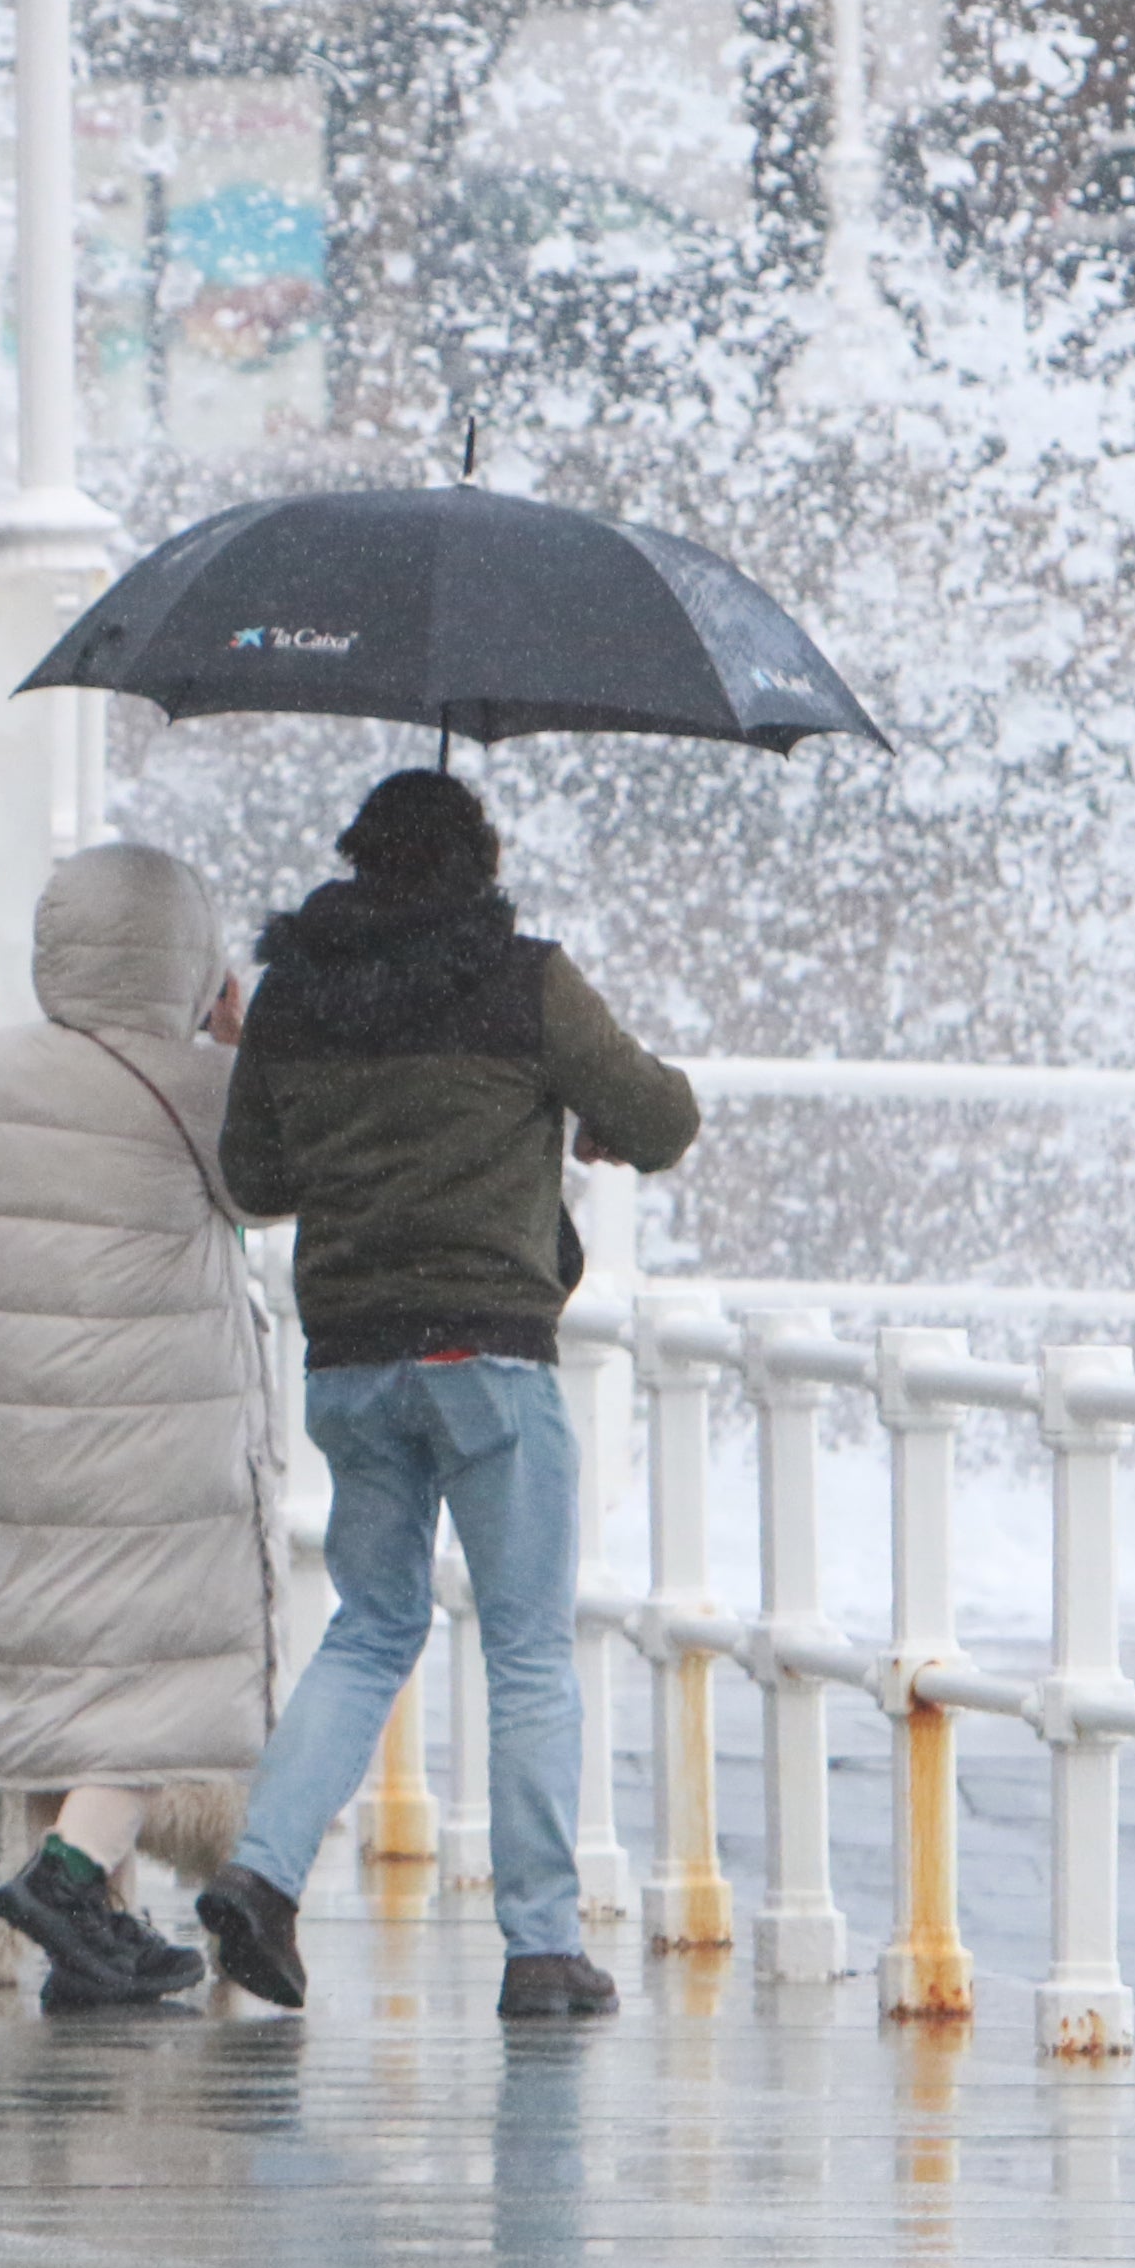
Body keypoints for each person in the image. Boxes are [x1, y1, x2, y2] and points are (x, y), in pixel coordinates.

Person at [200, 769, 695, 2018]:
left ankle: (259, 1876)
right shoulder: (526, 983)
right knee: (527, 1651)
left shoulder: (295, 996)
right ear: (481, 865)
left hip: (356, 1358)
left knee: (371, 1627)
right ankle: (540, 1946)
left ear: (359, 858)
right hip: (488, 1358)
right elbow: (662, 1115)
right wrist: (573, 1114)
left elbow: (254, 1176)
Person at [0, 844, 278, 2011]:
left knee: (75, 1665)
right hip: (153, 1439)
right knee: (147, 1683)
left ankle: (97, 1941)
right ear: (185, 953)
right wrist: (240, 1039)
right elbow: (273, 1185)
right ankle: (68, 1881)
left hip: (21, 1434)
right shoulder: (198, 1084)